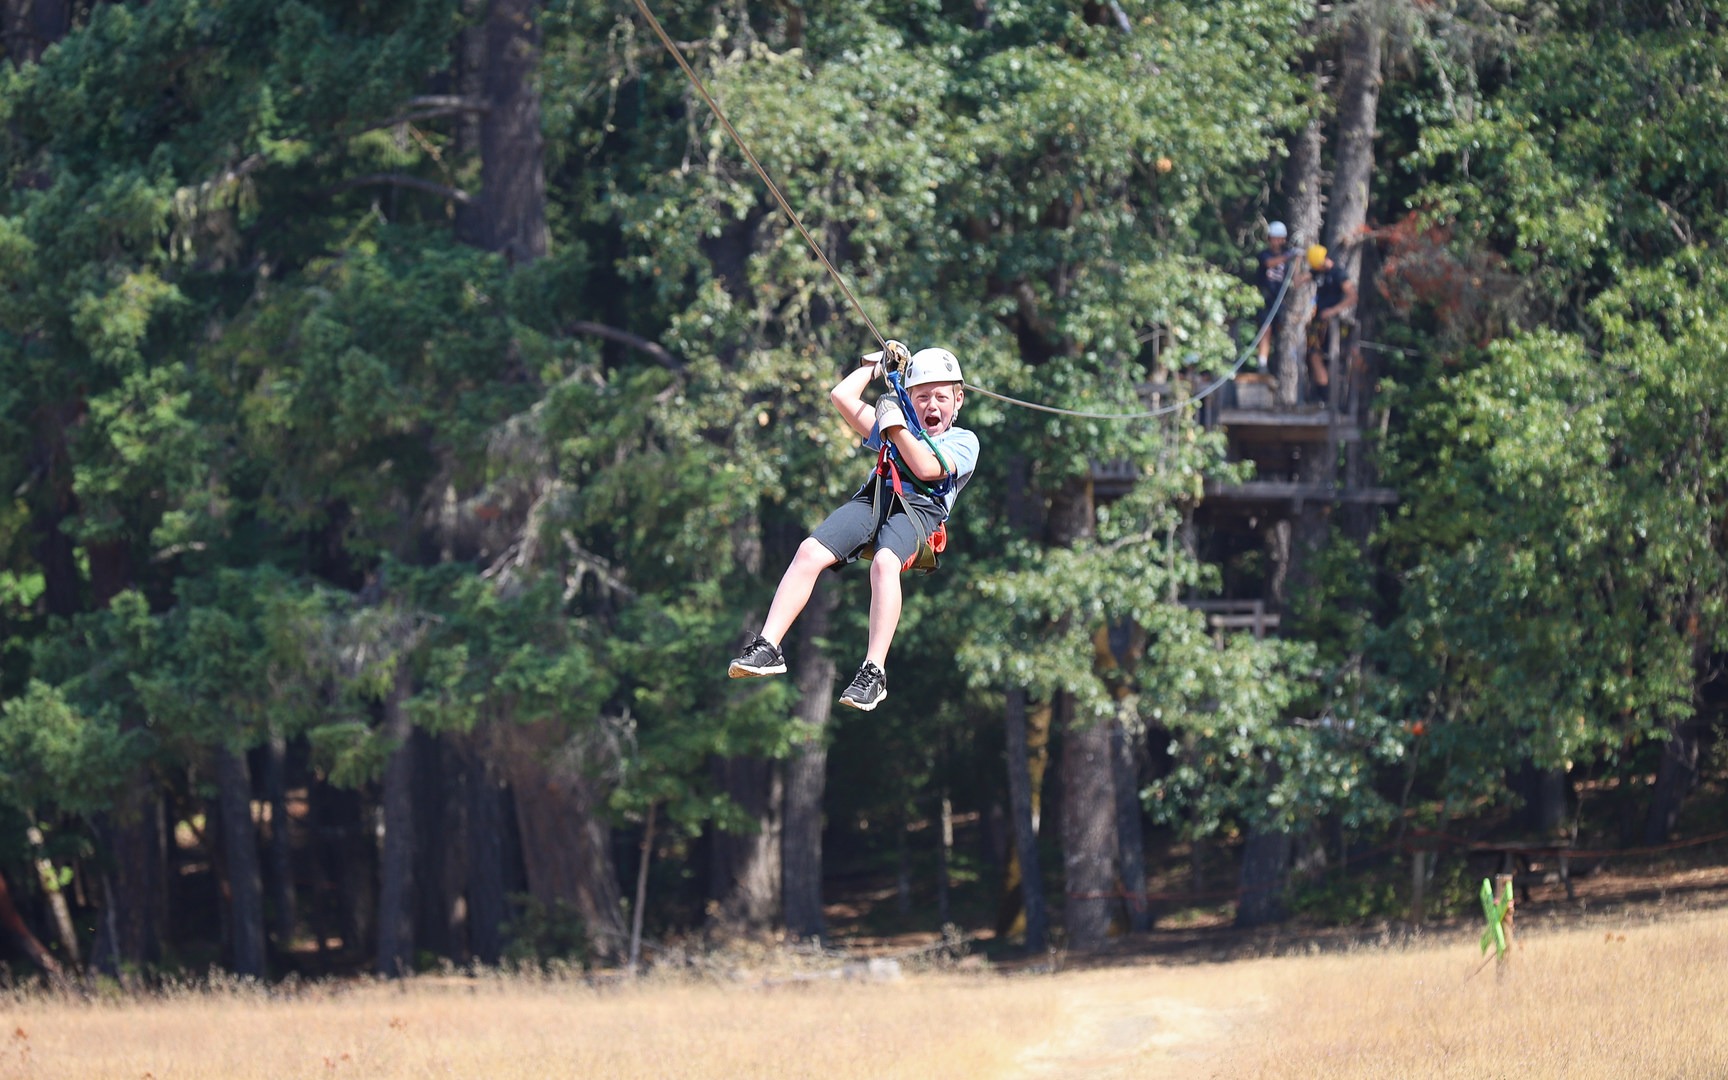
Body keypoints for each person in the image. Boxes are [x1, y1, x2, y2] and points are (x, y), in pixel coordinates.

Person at [727, 343, 980, 711]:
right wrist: (875, 367)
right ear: (909, 398)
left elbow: (926, 468)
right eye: (922, 397)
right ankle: (769, 646)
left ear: (958, 400)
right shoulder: (897, 427)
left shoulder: (962, 441)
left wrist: (894, 425)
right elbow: (841, 396)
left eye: (941, 397)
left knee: (885, 563)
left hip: (920, 510)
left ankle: (874, 671)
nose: (932, 406)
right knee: (809, 551)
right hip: (877, 496)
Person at [1303, 244, 1357, 404]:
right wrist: (1298, 260)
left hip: (1331, 324)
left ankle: (1326, 398)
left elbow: (1352, 296)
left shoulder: (1338, 274)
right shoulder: (1318, 272)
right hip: (1319, 323)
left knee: (1320, 356)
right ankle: (1322, 396)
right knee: (1313, 355)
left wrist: (1334, 311)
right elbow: (1298, 281)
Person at [1253, 221, 1298, 369]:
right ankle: (1262, 362)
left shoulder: (1288, 259)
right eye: (1274, 237)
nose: (1277, 241)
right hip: (1266, 299)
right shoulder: (1264, 255)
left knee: (1283, 330)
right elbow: (1269, 264)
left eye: (1280, 238)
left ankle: (1284, 363)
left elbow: (1295, 279)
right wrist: (1289, 256)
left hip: (1279, 301)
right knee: (1266, 328)